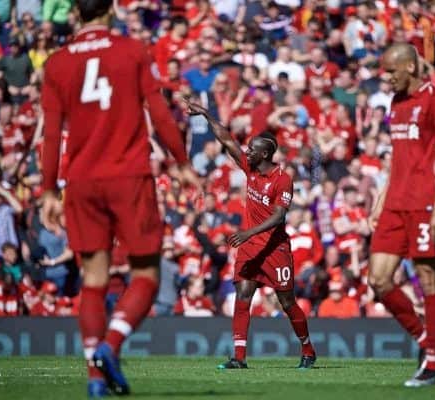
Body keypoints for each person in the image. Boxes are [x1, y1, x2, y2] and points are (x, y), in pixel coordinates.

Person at [40, 0, 198, 396]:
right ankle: (110, 347)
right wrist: (181, 161)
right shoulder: (132, 51)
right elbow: (159, 112)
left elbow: (50, 133)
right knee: (145, 274)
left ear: (75, 13)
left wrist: (46, 189)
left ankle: (95, 380)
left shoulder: (57, 63)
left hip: (81, 181)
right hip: (129, 176)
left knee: (93, 282)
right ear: (110, 9)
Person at [187, 100, 317, 370]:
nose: (247, 152)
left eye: (253, 149)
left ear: (266, 154)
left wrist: (248, 232)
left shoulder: (283, 179)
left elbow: (279, 216)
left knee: (287, 301)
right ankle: (239, 357)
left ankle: (307, 349)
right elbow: (226, 139)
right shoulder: (250, 168)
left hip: (274, 248)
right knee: (243, 295)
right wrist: (206, 114)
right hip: (250, 247)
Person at [368, 44, 435, 387]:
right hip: (394, 203)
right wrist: (379, 198)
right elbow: (398, 156)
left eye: (391, 72)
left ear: (409, 66)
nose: (387, 79)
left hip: (423, 204)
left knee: (429, 280)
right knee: (378, 280)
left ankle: (432, 366)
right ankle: (427, 341)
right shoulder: (396, 102)